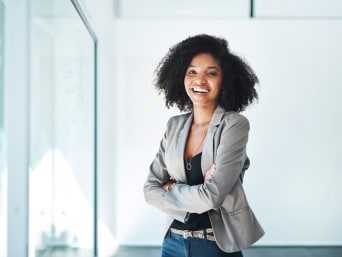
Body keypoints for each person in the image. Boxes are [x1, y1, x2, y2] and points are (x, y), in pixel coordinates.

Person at [143, 34, 264, 257]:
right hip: (172, 243)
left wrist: (170, 187)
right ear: (181, 76)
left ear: (224, 79)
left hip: (213, 245)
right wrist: (192, 191)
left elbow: (212, 197)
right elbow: (150, 190)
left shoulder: (234, 125)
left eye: (211, 73)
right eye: (192, 71)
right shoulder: (174, 125)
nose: (200, 80)